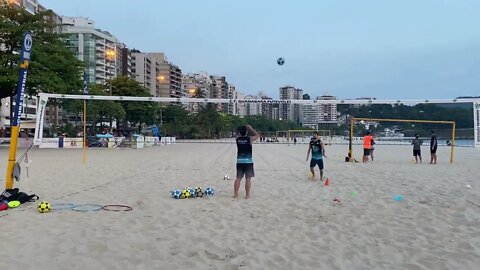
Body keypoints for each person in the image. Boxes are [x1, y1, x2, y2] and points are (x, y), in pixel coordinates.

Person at [234, 125, 260, 199]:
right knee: (248, 178)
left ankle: (236, 194)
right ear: (247, 132)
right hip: (248, 161)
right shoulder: (250, 139)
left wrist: (241, 131)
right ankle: (247, 195)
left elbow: (238, 135)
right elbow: (258, 135)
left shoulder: (237, 139)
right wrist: (250, 128)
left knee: (238, 178)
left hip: (239, 161)